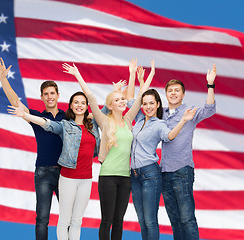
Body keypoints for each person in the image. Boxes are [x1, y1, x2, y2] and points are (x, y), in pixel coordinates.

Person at [62, 60, 152, 240]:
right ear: (110, 105)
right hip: (108, 177)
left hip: (125, 178)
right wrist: (77, 75)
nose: (121, 101)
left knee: (119, 220)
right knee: (107, 220)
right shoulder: (104, 121)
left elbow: (141, 96)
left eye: (122, 99)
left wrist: (134, 74)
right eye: (117, 100)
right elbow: (92, 99)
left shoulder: (128, 120)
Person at [8, 91, 101, 240]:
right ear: (70, 105)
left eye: (83, 103)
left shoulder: (90, 124)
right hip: (55, 174)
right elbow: (47, 124)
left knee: (76, 220)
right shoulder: (65, 124)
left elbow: (101, 112)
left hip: (83, 178)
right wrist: (24, 115)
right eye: (76, 102)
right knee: (48, 219)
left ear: (58, 95)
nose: (79, 105)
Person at [0, 57, 65, 240]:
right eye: (46, 94)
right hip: (43, 172)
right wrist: (4, 79)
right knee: (42, 218)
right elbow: (17, 104)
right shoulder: (37, 117)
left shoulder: (68, 117)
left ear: (58, 95)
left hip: (65, 173)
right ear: (42, 97)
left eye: (52, 93)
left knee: (68, 218)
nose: (50, 96)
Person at [126, 61, 197, 240]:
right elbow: (130, 101)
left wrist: (182, 121)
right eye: (145, 104)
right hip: (134, 174)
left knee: (151, 220)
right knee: (142, 220)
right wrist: (133, 75)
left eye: (152, 103)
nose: (148, 106)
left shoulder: (160, 124)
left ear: (158, 104)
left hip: (150, 172)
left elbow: (170, 136)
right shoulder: (140, 117)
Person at [161, 65, 217, 240]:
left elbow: (209, 109)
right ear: (166, 94)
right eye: (170, 90)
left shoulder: (190, 112)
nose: (173, 93)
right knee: (175, 220)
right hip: (164, 172)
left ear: (183, 94)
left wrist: (210, 85)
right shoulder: (160, 113)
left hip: (182, 171)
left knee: (187, 219)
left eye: (177, 90)